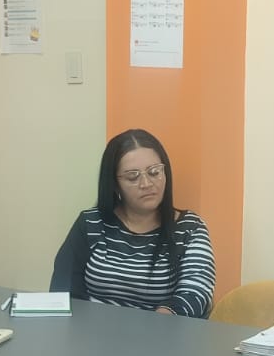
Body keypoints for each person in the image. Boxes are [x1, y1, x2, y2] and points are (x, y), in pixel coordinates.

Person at [50, 128, 216, 318]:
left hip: (162, 330)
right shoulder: (91, 223)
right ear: (114, 184)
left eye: (154, 172)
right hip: (93, 330)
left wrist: (160, 320)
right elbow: (63, 289)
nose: (146, 184)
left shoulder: (190, 229)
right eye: (132, 176)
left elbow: (196, 293)